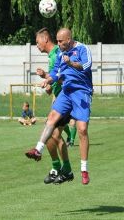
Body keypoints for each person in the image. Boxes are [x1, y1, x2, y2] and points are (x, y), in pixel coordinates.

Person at [26, 28, 93, 185]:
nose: (58, 44)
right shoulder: (59, 55)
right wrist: (48, 79)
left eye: (60, 41)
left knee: (82, 129)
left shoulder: (82, 49)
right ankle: (38, 150)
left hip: (82, 92)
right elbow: (56, 73)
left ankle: (83, 170)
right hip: (66, 92)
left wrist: (72, 63)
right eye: (56, 41)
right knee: (51, 120)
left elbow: (87, 66)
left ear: (69, 39)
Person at [26, 27, 74, 184]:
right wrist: (47, 85)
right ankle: (61, 169)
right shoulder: (52, 56)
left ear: (45, 39)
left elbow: (62, 78)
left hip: (65, 99)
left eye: (37, 41)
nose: (37, 45)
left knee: (50, 134)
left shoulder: (56, 55)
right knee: (53, 135)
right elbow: (53, 83)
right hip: (59, 98)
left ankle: (60, 169)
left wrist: (47, 77)